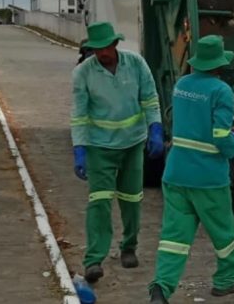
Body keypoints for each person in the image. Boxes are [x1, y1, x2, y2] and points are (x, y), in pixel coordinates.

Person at [148, 35, 234, 304]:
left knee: (174, 237)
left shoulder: (182, 85)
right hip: (207, 177)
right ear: (219, 63)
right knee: (224, 232)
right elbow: (219, 136)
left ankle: (161, 288)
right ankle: (225, 281)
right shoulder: (221, 90)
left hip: (176, 172)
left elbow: (195, 125)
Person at [70, 21, 164, 283]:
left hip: (133, 144)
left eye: (105, 47)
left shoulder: (136, 65)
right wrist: (79, 148)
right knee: (98, 203)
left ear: (115, 44)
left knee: (132, 199)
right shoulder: (83, 73)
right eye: (96, 49)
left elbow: (149, 98)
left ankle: (129, 247)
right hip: (100, 147)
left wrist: (155, 127)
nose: (102, 53)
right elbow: (78, 113)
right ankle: (94, 260)